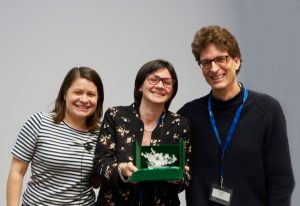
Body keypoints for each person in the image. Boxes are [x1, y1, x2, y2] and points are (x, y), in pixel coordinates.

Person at [177, 25, 295, 206]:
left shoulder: (267, 110)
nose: (214, 68)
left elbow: (281, 182)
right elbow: (169, 172)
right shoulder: (188, 115)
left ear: (237, 60)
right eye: (206, 62)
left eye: (221, 59)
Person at [94, 59, 191, 206]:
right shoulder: (116, 115)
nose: (159, 86)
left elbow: (187, 175)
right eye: (153, 79)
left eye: (167, 82)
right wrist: (122, 170)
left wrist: (179, 177)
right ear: (140, 85)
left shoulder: (181, 124)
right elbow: (100, 163)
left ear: (172, 90)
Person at [6, 67, 104, 206]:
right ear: (65, 94)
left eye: (91, 94)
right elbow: (17, 171)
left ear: (98, 98)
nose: (84, 99)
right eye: (78, 92)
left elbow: (96, 183)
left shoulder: (101, 134)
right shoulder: (39, 122)